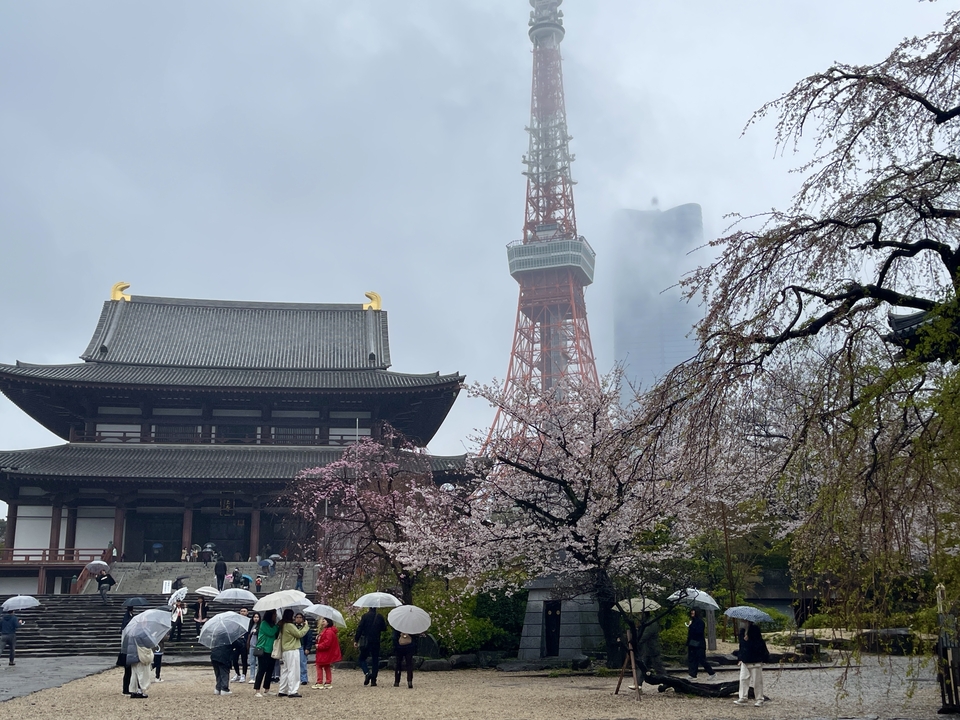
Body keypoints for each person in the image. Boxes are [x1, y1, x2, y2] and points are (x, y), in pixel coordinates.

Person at [734, 620, 768, 707]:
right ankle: (743, 697)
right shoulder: (742, 631)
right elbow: (741, 646)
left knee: (757, 681)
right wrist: (740, 657)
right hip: (745, 659)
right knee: (743, 679)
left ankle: (759, 699)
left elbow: (759, 644)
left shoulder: (755, 630)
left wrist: (750, 640)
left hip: (755, 660)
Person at [277, 608, 308, 697]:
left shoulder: (282, 625)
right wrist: (305, 626)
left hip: (285, 650)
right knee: (293, 670)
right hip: (292, 649)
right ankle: (292, 690)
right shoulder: (290, 625)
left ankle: (282, 689)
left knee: (286, 670)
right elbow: (299, 634)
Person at [354, 606, 387, 686]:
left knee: (362, 659)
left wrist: (356, 640)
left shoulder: (365, 616)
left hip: (366, 641)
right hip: (376, 641)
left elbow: (360, 628)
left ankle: (367, 672)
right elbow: (384, 628)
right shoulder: (379, 616)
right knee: (375, 660)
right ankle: (373, 680)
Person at [252, 610, 280, 697]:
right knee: (261, 670)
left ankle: (267, 689)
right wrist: (277, 626)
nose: (275, 616)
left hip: (271, 650)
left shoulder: (272, 624)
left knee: (270, 671)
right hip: (263, 649)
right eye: (274, 614)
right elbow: (270, 632)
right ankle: (257, 690)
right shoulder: (264, 623)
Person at [314, 616, 342, 689]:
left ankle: (320, 682)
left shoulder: (328, 631)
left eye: (324, 621)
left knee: (319, 666)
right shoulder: (328, 631)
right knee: (326, 666)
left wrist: (318, 646)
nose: (322, 623)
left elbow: (327, 643)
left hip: (324, 652)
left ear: (328, 622)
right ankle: (328, 682)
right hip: (326, 652)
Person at [686, 609, 715, 679]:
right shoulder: (693, 621)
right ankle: (692, 674)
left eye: (693, 612)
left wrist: (691, 626)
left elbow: (698, 632)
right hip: (692, 643)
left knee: (702, 659)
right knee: (693, 659)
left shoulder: (700, 622)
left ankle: (712, 673)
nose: (692, 613)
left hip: (699, 644)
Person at [119, 607, 135, 695]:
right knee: (128, 672)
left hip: (127, 652)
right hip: (127, 653)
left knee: (129, 672)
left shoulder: (129, 616)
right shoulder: (127, 618)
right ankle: (125, 689)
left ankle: (127, 688)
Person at [232, 608, 249, 683]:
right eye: (241, 611)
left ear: (247, 612)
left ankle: (243, 674)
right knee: (234, 659)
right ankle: (237, 673)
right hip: (237, 641)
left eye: (244, 611)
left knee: (244, 659)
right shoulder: (237, 621)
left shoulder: (249, 621)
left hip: (244, 642)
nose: (242, 613)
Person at [296, 612, 312, 686]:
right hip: (295, 647)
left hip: (302, 646)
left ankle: (304, 679)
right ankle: (297, 678)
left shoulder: (306, 628)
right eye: (297, 617)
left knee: (303, 663)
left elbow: (309, 638)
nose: (298, 619)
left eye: (300, 617)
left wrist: (308, 648)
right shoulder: (293, 627)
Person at [246, 611, 261, 684]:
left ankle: (258, 677)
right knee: (252, 662)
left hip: (258, 646)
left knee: (258, 662)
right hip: (251, 646)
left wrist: (256, 631)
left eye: (257, 617)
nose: (256, 618)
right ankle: (252, 677)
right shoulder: (251, 626)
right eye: (255, 617)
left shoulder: (260, 626)